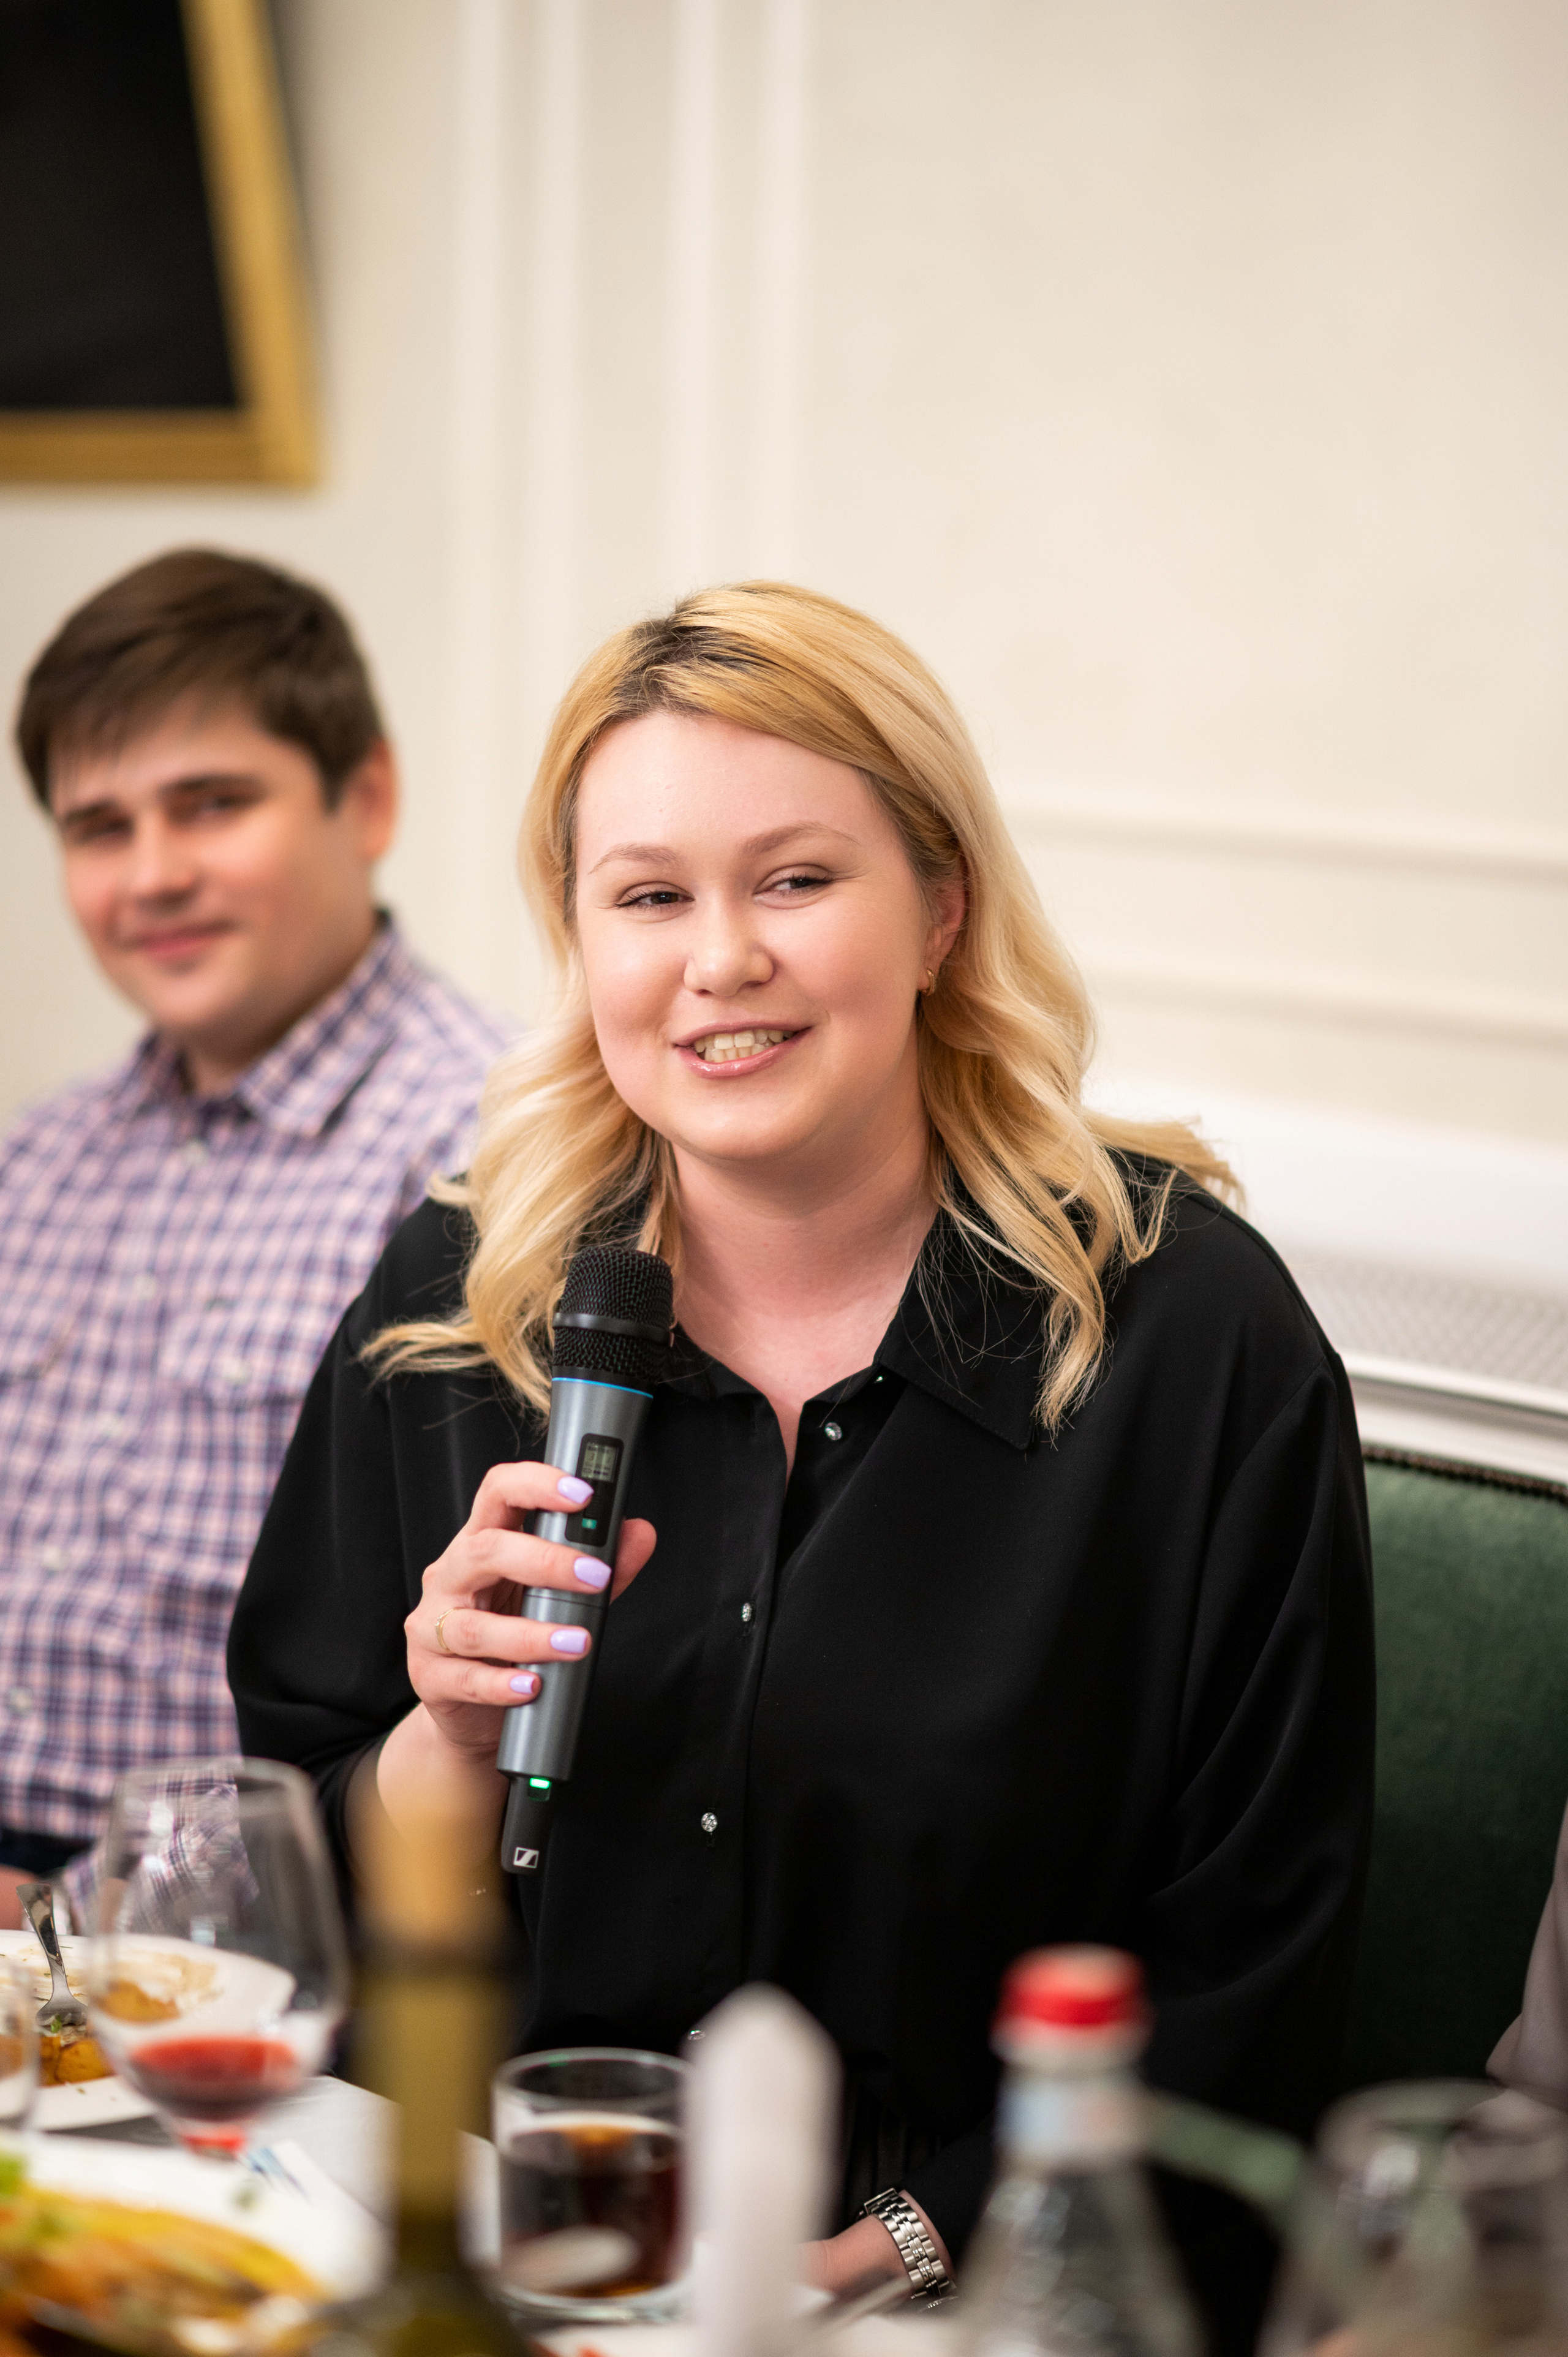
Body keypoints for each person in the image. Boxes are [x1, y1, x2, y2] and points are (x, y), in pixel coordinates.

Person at [230, 583, 1374, 2345]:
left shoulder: (1190, 1338)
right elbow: (281, 1885)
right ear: (581, 941)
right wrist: (441, 1749)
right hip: (502, 2267)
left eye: (793, 880)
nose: (718, 961)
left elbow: (1254, 1969)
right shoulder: (458, 1302)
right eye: (648, 898)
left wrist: (872, 2260)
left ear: (939, 909)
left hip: (974, 2300)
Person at [0, 546, 510, 1930]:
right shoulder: (35, 1162)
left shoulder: (493, 1166)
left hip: (241, 1931)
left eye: (210, 805)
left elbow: (452, 1715)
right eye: (99, 827)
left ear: (368, 798)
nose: (153, 874)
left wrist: (57, 1927)